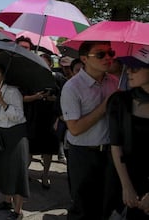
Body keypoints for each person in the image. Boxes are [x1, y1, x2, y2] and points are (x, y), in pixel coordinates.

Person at [60, 41, 119, 219]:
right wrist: (104, 106)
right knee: (84, 208)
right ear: (84, 59)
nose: (108, 58)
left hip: (110, 153)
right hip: (84, 155)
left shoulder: (114, 82)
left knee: (106, 206)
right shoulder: (72, 87)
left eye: (111, 53)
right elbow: (75, 129)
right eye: (101, 54)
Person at [0, 63, 29, 220]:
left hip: (16, 136)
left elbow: (18, 116)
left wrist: (3, 102)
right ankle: (7, 201)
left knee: (17, 173)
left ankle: (18, 210)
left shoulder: (13, 92)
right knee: (4, 171)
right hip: (1, 135)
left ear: (3, 75)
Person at [107, 46, 149, 219]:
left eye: (136, 67)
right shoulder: (120, 102)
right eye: (128, 66)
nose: (129, 71)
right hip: (125, 180)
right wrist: (127, 187)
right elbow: (116, 146)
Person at [22, 53, 60, 190]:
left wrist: (53, 99)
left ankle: (45, 175)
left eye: (45, 63)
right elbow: (22, 98)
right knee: (30, 149)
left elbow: (61, 97)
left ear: (50, 64)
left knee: (48, 150)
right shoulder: (30, 79)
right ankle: (23, 174)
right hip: (33, 118)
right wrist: (36, 97)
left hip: (49, 119)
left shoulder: (56, 78)